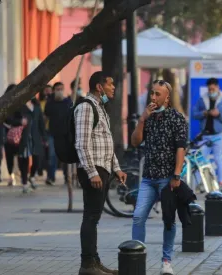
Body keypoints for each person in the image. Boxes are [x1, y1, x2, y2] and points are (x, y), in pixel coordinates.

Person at [130, 79, 188, 275]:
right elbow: (135, 142)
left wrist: (177, 175)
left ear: (167, 97)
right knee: (138, 217)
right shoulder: (148, 118)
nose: (153, 97)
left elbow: (181, 148)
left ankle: (166, 261)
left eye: (158, 94)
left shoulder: (176, 118)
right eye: (152, 93)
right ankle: (136, 258)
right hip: (148, 178)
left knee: (169, 220)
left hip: (167, 178)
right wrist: (142, 119)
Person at [74, 71, 127, 275]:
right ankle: (87, 264)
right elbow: (81, 143)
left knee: (94, 218)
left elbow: (106, 143)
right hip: (94, 170)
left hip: (103, 169)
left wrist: (117, 168)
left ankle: (95, 262)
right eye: (110, 84)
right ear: (99, 86)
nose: (113, 88)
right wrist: (91, 172)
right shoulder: (86, 108)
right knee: (90, 217)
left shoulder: (100, 108)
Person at [192, 78, 222, 185]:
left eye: (213, 89)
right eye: (209, 89)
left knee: (217, 158)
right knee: (200, 159)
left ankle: (220, 181)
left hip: (219, 134)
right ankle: (196, 184)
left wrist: (219, 114)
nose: (211, 91)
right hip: (205, 135)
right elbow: (194, 114)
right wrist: (204, 113)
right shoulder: (202, 99)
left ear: (218, 88)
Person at [5, 96, 47, 193]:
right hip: (23, 138)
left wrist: (44, 137)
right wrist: (20, 121)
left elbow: (41, 123)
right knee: (23, 160)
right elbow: (9, 119)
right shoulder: (18, 106)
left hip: (35, 138)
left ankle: (31, 176)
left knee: (37, 160)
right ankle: (24, 183)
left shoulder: (36, 106)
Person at [44, 82, 72, 185]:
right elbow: (46, 113)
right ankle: (51, 177)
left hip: (65, 134)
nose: (59, 91)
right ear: (54, 90)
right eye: (57, 89)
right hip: (53, 134)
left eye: (61, 89)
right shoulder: (50, 102)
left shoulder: (68, 101)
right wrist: (51, 99)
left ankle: (66, 177)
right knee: (52, 156)